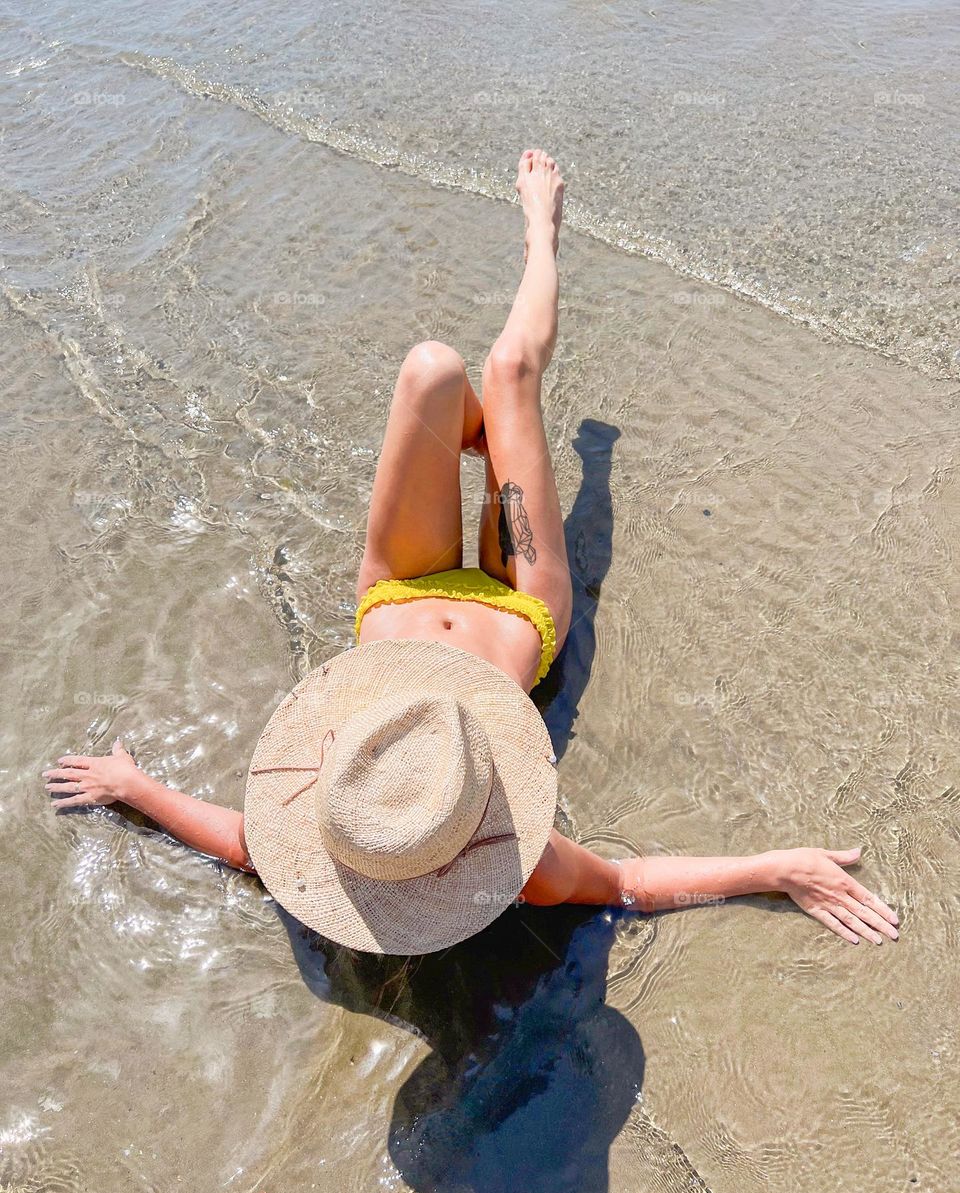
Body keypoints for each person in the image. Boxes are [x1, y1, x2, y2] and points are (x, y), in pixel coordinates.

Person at [43, 150, 899, 954]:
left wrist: (135, 787)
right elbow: (626, 882)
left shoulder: (336, 826)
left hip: (398, 588)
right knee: (508, 371)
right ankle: (541, 236)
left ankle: (487, 443)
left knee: (429, 369)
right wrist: (774, 870)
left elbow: (238, 840)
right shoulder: (508, 854)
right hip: (517, 596)